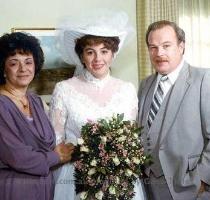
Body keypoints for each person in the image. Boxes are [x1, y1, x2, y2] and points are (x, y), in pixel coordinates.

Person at [49, 12, 147, 200]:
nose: (97, 59)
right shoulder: (64, 89)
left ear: (112, 54)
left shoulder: (127, 89)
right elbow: (56, 141)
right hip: (76, 178)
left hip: (120, 178)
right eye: (90, 52)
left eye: (104, 51)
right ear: (82, 56)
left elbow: (133, 136)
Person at [138, 20, 210, 200]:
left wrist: (202, 179)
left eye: (166, 46)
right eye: (153, 47)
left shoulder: (203, 80)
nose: (159, 53)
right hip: (147, 187)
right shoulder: (145, 85)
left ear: (181, 47)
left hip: (190, 188)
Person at [0, 32, 74, 200]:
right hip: (14, 189)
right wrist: (56, 156)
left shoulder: (36, 101)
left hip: (43, 186)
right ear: (3, 68)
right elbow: (16, 156)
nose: (23, 69)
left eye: (28, 62)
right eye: (14, 63)